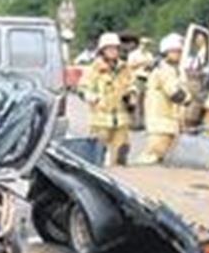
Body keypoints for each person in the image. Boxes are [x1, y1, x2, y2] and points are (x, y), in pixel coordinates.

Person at [81, 32, 136, 166]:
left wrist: (131, 95)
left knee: (121, 156)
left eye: (115, 48)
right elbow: (83, 88)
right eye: (109, 48)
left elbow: (131, 84)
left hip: (121, 119)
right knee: (96, 156)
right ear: (102, 50)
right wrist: (93, 98)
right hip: (101, 119)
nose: (113, 51)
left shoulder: (125, 68)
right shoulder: (94, 69)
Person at [141, 33, 191, 163]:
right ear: (166, 52)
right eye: (175, 51)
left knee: (163, 160)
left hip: (168, 123)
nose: (179, 54)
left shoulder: (174, 70)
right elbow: (175, 94)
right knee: (153, 157)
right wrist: (189, 99)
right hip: (160, 124)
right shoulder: (164, 69)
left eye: (180, 51)